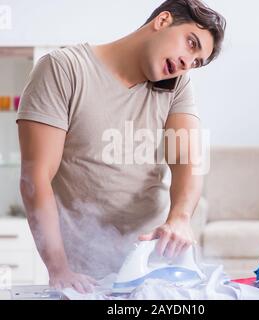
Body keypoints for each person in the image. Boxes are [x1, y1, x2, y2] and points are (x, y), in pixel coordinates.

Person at [16, 0, 226, 294]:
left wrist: (179, 219)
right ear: (163, 20)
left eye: (196, 62)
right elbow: (35, 177)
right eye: (191, 44)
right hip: (83, 269)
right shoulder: (65, 69)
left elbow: (187, 159)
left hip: (152, 262)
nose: (186, 63)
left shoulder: (176, 86)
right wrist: (59, 269)